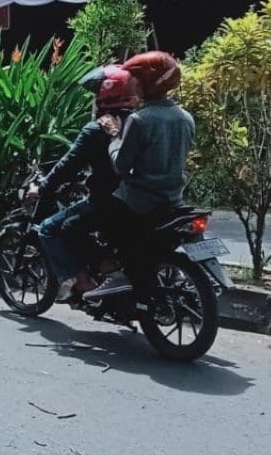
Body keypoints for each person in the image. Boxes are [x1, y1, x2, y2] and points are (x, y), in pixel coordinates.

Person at [84, 50, 195, 302]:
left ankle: (114, 274)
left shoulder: (139, 120)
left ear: (147, 82)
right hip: (173, 199)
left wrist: (114, 135)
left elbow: (121, 166)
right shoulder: (186, 118)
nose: (130, 83)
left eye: (134, 78)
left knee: (76, 225)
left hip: (138, 202)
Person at [36, 65, 140, 300]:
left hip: (108, 200)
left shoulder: (97, 129)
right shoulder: (140, 121)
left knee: (50, 229)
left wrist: (43, 187)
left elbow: (69, 164)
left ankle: (86, 282)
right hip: (142, 200)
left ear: (104, 95)